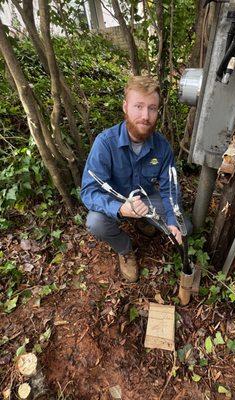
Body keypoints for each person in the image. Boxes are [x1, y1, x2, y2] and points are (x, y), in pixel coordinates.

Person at [81, 76, 192, 283]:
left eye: (152, 108)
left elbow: (170, 188)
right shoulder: (105, 143)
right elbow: (88, 192)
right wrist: (121, 209)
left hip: (146, 199)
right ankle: (124, 249)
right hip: (117, 202)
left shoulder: (162, 146)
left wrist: (172, 221)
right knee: (96, 222)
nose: (145, 116)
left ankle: (144, 220)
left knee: (185, 225)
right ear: (125, 107)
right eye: (138, 106)